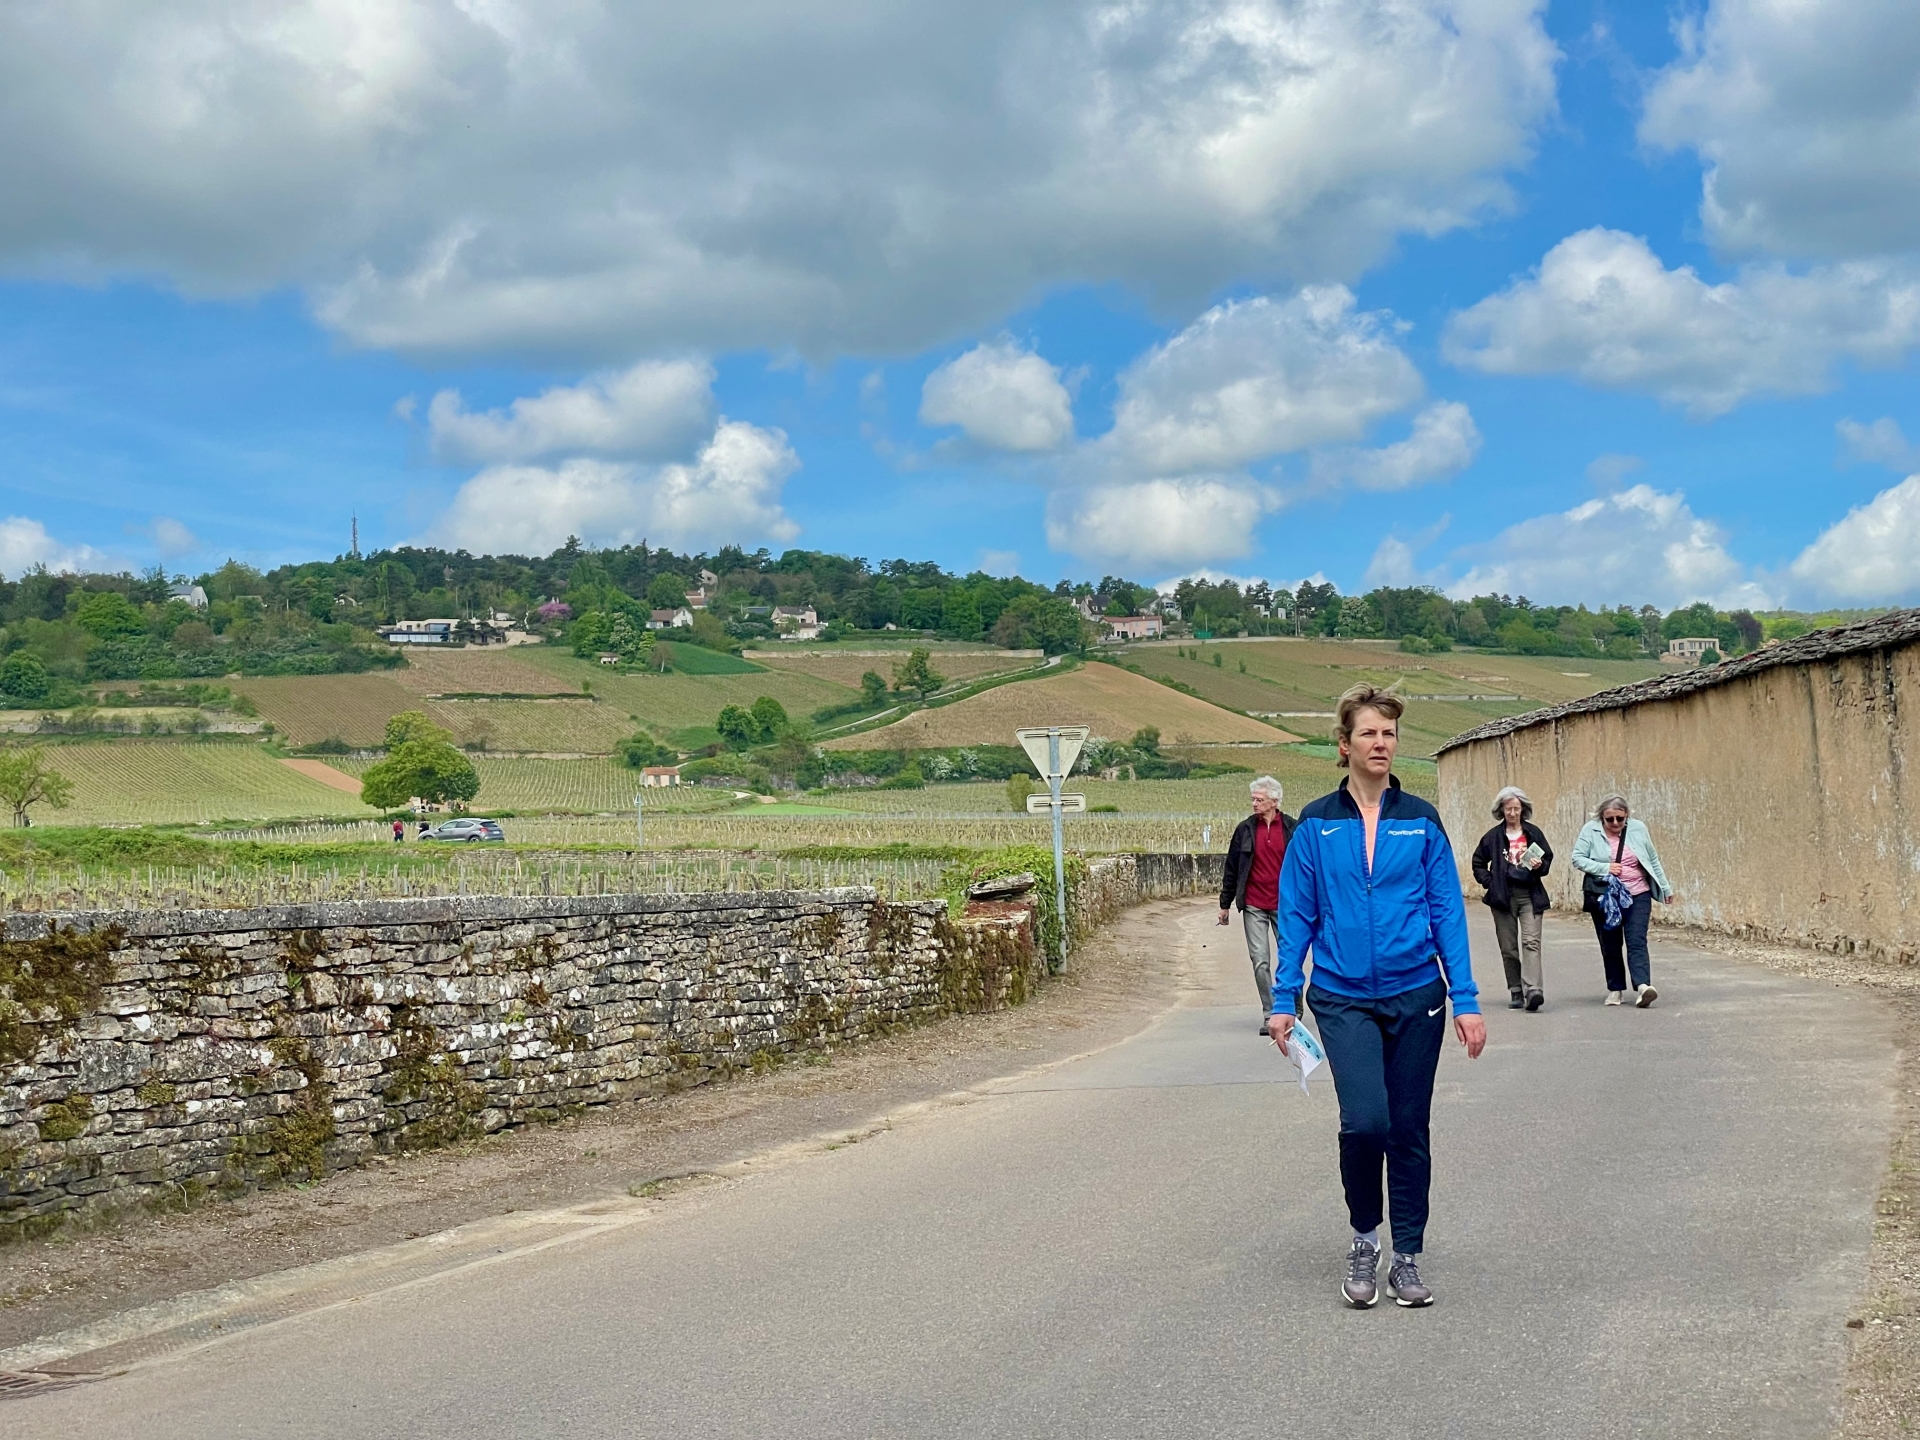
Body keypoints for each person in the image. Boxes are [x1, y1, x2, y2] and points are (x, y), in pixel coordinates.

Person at [1269, 684, 1486, 1309]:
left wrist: (1466, 1000)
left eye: (1389, 733)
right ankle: (1365, 1238)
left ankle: (1406, 1256)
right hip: (1341, 997)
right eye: (1369, 732)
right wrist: (1284, 998)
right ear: (1345, 745)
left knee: (1409, 1126)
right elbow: (1297, 915)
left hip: (1417, 993)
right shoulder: (1316, 824)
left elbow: (1447, 913)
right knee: (1366, 1122)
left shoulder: (1421, 819)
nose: (1381, 742)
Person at [1571, 796, 1675, 1007]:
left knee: (1637, 940)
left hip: (1638, 894)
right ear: (1602, 818)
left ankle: (1643, 986)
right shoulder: (1591, 830)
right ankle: (1615, 989)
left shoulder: (1638, 828)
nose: (1615, 823)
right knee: (1610, 943)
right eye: (1610, 819)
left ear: (1627, 815)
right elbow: (1578, 858)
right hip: (1607, 896)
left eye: (1620, 818)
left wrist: (1665, 887)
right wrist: (1605, 868)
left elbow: (1652, 859)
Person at [1216, 777, 1297, 1035]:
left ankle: (1292, 1009)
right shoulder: (1245, 830)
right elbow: (1232, 867)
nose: (1254, 803)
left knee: (1290, 958)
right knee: (1260, 960)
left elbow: (1308, 867)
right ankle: (1270, 1013)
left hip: (1287, 906)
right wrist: (1225, 904)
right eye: (1253, 799)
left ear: (1274, 801)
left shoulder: (1293, 828)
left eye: (1259, 800)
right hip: (1254, 904)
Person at [1469, 786, 1553, 1011]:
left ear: (1523, 809)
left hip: (1530, 895)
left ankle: (1533, 990)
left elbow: (1547, 860)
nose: (1513, 813)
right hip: (1503, 898)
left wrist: (1539, 865)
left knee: (1531, 942)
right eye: (1509, 809)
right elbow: (1478, 863)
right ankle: (1516, 990)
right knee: (1509, 947)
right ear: (1501, 810)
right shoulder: (1493, 837)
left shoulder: (1533, 833)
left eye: (1517, 808)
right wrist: (1490, 882)